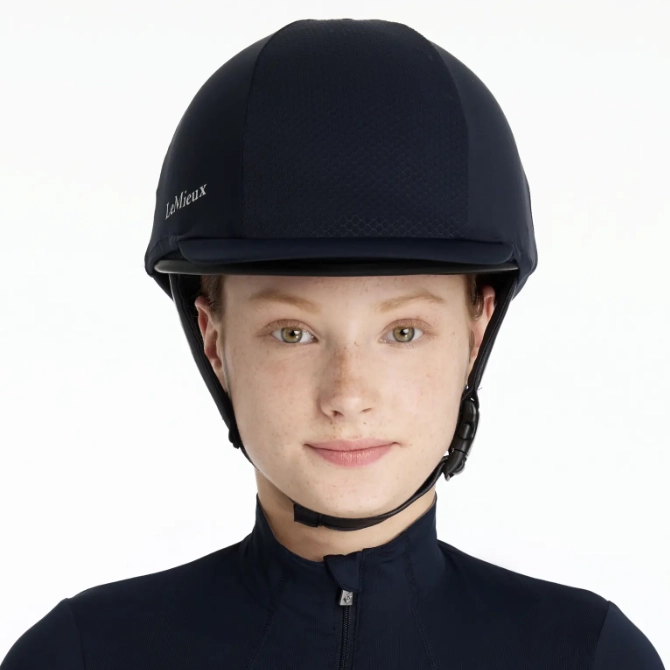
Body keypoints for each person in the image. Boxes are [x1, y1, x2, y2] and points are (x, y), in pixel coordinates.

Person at [1, 17, 664, 670]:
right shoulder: (78, 658)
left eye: (403, 332)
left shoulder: (591, 658)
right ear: (213, 340)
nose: (347, 395)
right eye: (293, 333)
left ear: (475, 332)